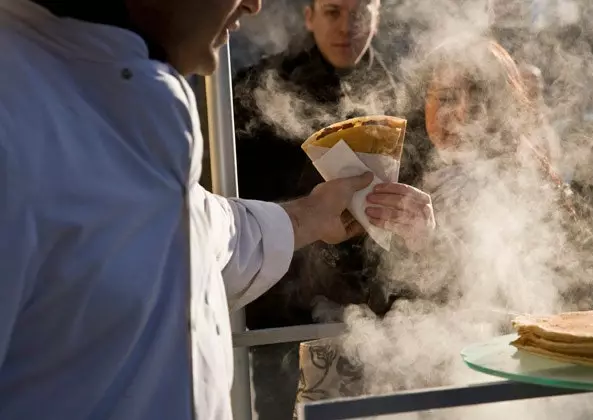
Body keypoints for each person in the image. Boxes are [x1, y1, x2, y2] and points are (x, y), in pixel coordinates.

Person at [0, 1, 435, 420]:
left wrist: (308, 216)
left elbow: (197, 236)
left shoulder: (115, 87)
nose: (253, 4)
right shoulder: (15, 110)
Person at [231, 0, 433, 417]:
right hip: (280, 312)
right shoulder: (258, 84)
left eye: (360, 12)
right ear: (309, 16)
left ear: (377, 18)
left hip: (372, 311)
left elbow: (420, 185)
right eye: (333, 11)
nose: (347, 26)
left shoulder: (404, 93)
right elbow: (233, 195)